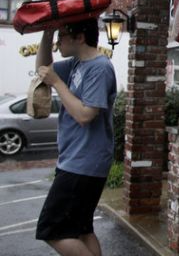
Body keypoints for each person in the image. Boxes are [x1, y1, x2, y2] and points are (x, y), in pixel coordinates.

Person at [34, 18, 116, 256]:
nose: (59, 41)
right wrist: (47, 35)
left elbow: (85, 114)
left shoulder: (99, 68)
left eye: (61, 35)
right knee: (81, 229)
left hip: (85, 162)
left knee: (52, 229)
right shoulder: (77, 64)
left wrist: (57, 82)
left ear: (79, 37)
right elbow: (43, 71)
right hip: (77, 160)